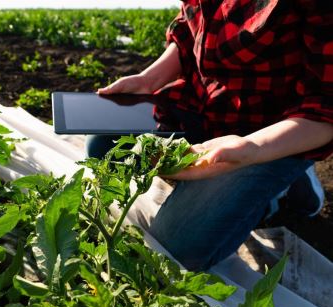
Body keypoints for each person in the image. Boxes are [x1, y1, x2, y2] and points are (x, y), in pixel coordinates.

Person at [87, 0, 333, 270]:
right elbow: (189, 27)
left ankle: (287, 188)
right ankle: (220, 188)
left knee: (174, 248)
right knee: (104, 144)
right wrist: (148, 79)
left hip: (273, 129)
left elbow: (326, 107)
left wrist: (252, 147)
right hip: (205, 105)